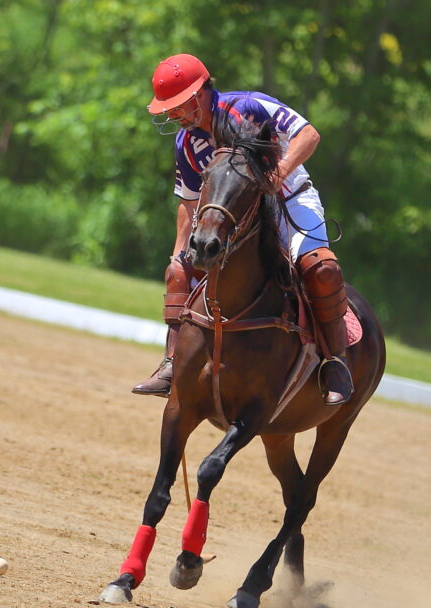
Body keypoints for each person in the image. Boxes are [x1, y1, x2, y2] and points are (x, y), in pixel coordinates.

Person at [132, 53, 353, 405]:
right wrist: (179, 254)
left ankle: (334, 362)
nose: (173, 114)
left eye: (178, 105)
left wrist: (275, 177)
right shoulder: (186, 143)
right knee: (177, 272)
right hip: (234, 218)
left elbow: (309, 135)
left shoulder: (249, 106)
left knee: (321, 269)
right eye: (169, 109)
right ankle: (171, 365)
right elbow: (189, 203)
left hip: (287, 201)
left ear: (201, 92)